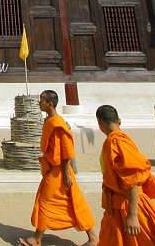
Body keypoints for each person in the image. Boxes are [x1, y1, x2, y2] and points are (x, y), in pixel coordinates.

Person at [18, 90, 98, 246]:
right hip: (53, 168)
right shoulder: (50, 121)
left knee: (45, 201)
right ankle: (93, 237)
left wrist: (67, 174)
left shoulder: (58, 124)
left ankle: (36, 238)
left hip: (60, 170)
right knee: (74, 202)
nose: (39, 103)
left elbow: (67, 151)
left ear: (50, 104)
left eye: (41, 101)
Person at [96, 105, 155, 245]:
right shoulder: (119, 140)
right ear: (119, 121)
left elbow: (133, 179)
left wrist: (132, 215)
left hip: (130, 205)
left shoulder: (117, 142)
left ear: (100, 123)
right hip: (117, 206)